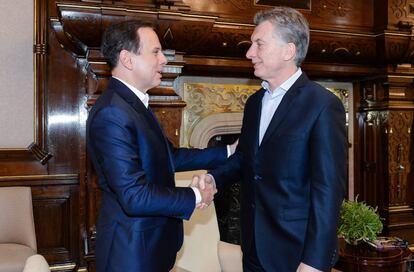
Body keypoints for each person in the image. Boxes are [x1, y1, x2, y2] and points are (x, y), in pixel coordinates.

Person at [192, 6, 347, 272]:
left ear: (288, 50)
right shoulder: (254, 103)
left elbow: (328, 191)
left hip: (297, 254)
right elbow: (245, 160)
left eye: (258, 44)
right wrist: (214, 178)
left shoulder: (322, 105)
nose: (249, 53)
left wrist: (314, 262)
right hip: (253, 248)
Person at [86, 20, 233, 272]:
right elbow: (134, 196)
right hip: (130, 254)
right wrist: (197, 195)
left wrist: (228, 151)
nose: (164, 59)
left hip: (150, 248)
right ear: (127, 59)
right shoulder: (112, 113)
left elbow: (169, 157)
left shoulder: (133, 104)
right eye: (155, 52)